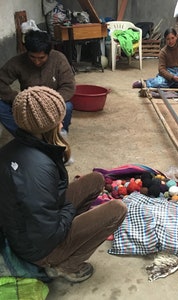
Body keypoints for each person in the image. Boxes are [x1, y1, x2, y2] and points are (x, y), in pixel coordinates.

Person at [0, 86, 127, 283]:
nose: (62, 124)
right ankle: (65, 266)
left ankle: (75, 235)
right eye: (59, 119)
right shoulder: (38, 169)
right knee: (117, 209)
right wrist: (68, 208)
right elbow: (50, 234)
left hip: (31, 226)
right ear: (48, 125)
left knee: (96, 180)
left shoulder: (16, 148)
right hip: (40, 248)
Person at [0, 29, 75, 136]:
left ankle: (59, 135)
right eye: (32, 57)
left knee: (67, 106)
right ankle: (24, 136)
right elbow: (1, 81)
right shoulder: (17, 61)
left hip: (53, 103)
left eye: (41, 58)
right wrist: (17, 98)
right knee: (0, 106)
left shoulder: (59, 59)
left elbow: (69, 86)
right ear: (27, 52)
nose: (37, 61)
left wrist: (51, 101)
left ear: (49, 53)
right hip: (27, 104)